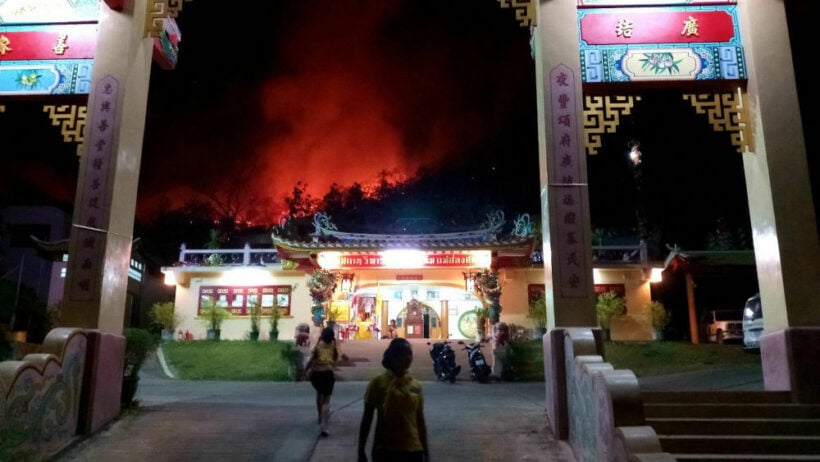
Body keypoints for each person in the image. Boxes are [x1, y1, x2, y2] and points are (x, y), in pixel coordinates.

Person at [358, 338, 428, 462]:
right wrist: (361, 450)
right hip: (385, 449)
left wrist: (426, 450)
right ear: (393, 357)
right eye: (402, 354)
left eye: (409, 354)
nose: (407, 357)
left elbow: (419, 421)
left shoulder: (415, 385)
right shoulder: (377, 383)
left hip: (413, 449)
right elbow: (367, 419)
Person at [304, 326, 347, 436]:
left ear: (322, 336)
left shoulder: (318, 347)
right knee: (326, 400)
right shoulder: (333, 347)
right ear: (332, 337)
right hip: (328, 374)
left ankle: (319, 416)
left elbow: (311, 361)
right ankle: (324, 424)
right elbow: (344, 357)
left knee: (319, 393)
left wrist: (304, 372)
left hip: (317, 374)